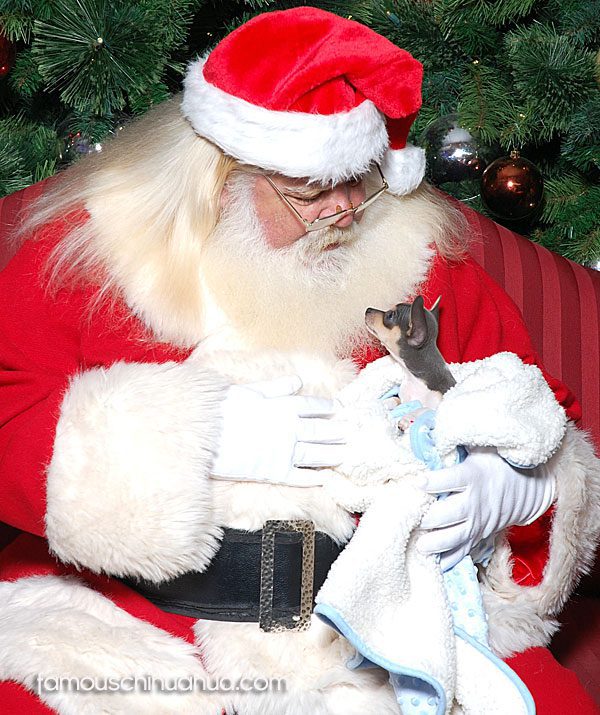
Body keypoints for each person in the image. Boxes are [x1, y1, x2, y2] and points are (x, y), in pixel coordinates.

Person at [0, 7, 598, 714]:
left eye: (364, 181)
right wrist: (183, 440)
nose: (346, 212)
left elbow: (533, 405)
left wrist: (516, 486)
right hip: (139, 621)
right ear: (218, 176)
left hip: (389, 621)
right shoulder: (95, 257)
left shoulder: (417, 258)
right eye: (312, 190)